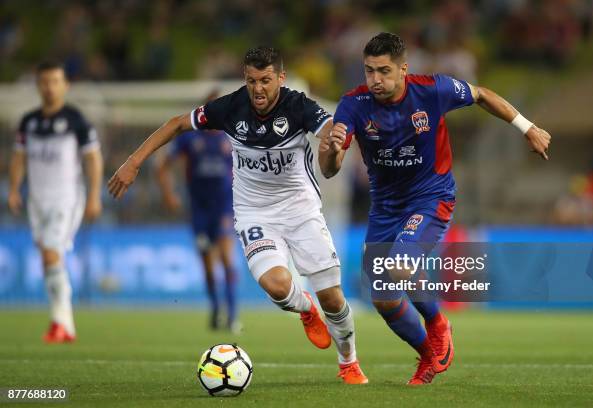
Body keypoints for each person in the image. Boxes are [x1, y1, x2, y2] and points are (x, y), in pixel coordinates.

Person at [108, 46, 368, 384]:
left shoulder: (299, 106)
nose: (258, 89)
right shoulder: (231, 107)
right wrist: (133, 162)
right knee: (277, 286)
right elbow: (176, 125)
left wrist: (334, 146)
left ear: (280, 78)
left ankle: (348, 360)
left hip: (301, 209)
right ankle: (304, 308)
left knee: (332, 297)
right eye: (251, 81)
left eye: (265, 80)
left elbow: (330, 151)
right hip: (254, 212)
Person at [319, 32, 551, 385]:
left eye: (383, 71)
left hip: (430, 196)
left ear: (403, 70)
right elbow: (330, 169)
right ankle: (429, 354)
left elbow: (482, 95)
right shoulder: (353, 104)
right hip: (385, 206)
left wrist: (527, 127)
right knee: (382, 298)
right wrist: (333, 150)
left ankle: (439, 324)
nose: (375, 80)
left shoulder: (433, 90)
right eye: (369, 71)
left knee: (399, 266)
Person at [8, 61, 103, 343]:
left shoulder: (76, 120)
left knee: (51, 252)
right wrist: (14, 188)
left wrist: (95, 196)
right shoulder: (29, 121)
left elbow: (93, 158)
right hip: (36, 201)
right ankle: (66, 325)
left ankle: (60, 321)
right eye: (44, 82)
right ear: (38, 85)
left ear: (65, 85)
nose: (49, 87)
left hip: (67, 198)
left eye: (55, 81)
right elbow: (19, 156)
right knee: (48, 257)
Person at [155, 90, 239, 332]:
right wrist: (169, 194)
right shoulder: (190, 138)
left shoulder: (232, 137)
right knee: (207, 264)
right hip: (199, 211)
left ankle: (232, 316)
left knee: (225, 257)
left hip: (224, 207)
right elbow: (163, 167)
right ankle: (215, 308)